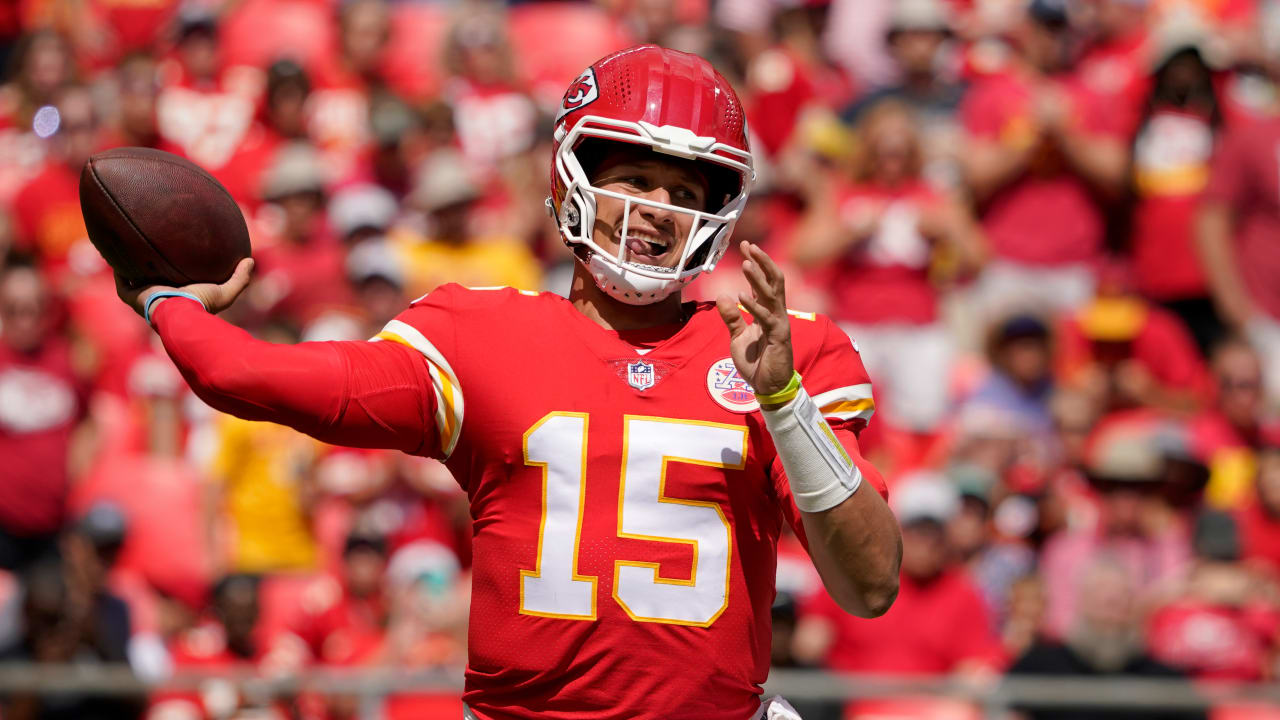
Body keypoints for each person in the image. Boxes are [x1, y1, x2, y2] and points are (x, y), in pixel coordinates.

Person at [111, 45, 902, 719]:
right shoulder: (479, 335)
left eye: (685, 194)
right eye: (632, 178)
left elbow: (868, 586)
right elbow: (242, 374)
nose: (657, 212)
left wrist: (783, 402)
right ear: (569, 182)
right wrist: (170, 303)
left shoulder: (780, 353)